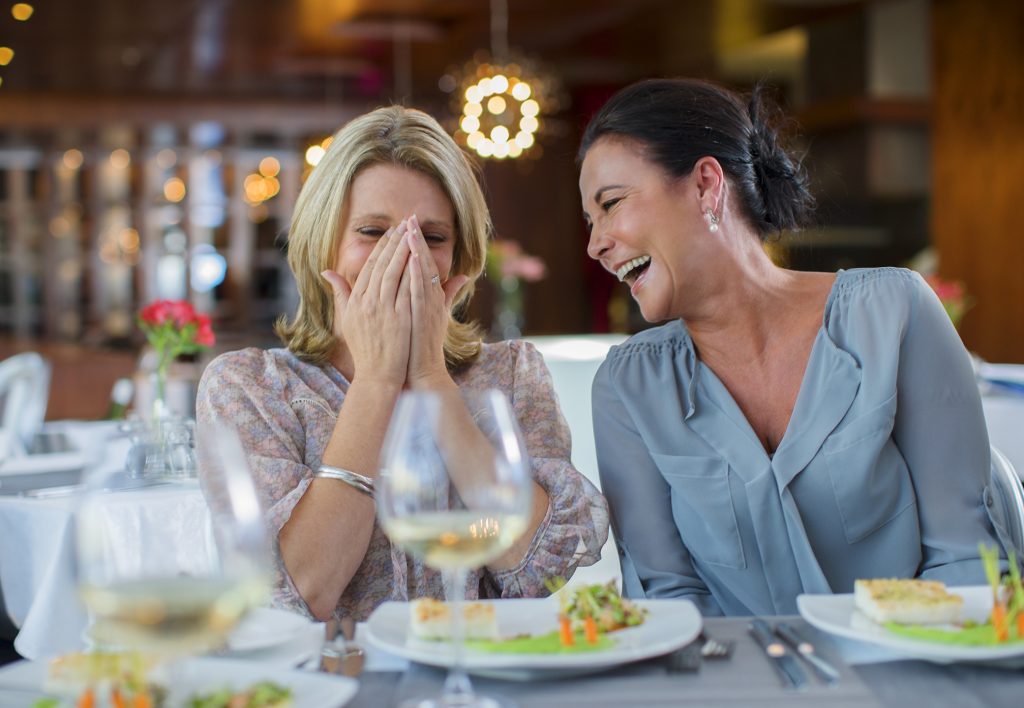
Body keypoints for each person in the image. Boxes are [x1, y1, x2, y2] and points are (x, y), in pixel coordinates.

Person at [578, 78, 1003, 616]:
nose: (596, 244)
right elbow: (668, 602)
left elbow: (964, 562)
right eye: (590, 221)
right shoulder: (629, 387)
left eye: (611, 204)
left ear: (707, 185)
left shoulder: (893, 313)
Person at [198, 106, 608, 622]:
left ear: (459, 258)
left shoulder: (511, 374)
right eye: (373, 232)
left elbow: (532, 564)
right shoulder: (249, 387)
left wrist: (432, 379)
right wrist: (377, 379)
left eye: (432, 238)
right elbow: (304, 590)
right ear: (322, 242)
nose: (406, 256)